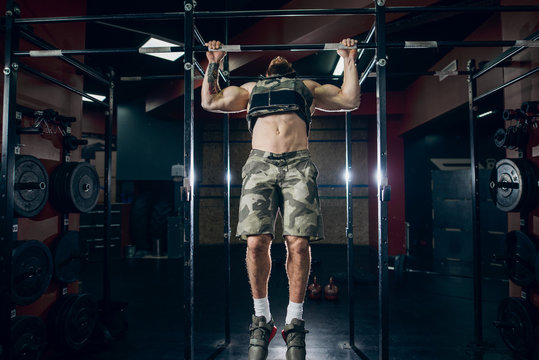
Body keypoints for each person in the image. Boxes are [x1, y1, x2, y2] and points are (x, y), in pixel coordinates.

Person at [201, 38, 360, 360]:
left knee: (298, 244)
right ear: (267, 71)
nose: (278, 57)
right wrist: (214, 62)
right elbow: (210, 102)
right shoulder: (249, 89)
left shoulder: (306, 86)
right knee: (256, 242)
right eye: (273, 58)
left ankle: (294, 321)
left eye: (282, 58)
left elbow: (350, 99)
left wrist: (349, 58)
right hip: (260, 163)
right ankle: (262, 318)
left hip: (298, 164)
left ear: (290, 69)